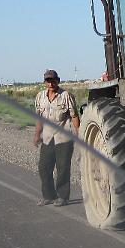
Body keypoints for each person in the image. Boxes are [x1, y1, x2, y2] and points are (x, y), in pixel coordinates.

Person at [32, 69, 80, 207]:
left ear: (58, 81)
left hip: (64, 137)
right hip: (47, 137)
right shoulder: (40, 97)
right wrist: (37, 135)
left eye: (53, 80)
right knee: (44, 167)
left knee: (62, 168)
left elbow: (75, 116)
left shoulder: (66, 96)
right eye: (48, 81)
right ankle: (49, 196)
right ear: (45, 83)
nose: (51, 83)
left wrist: (79, 134)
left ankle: (63, 197)